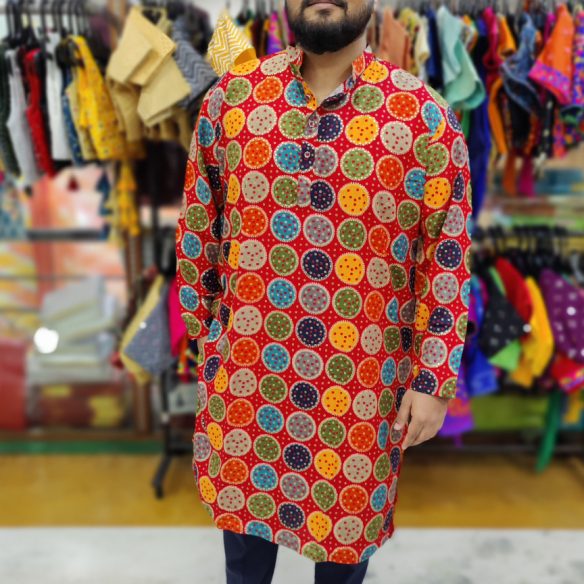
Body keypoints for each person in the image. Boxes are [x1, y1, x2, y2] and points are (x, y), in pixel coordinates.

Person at [175, 0, 473, 582]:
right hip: (247, 384)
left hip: (357, 393)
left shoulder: (424, 118)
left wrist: (433, 379)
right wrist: (206, 336)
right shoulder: (232, 101)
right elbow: (199, 228)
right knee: (245, 562)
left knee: (343, 556)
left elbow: (446, 256)